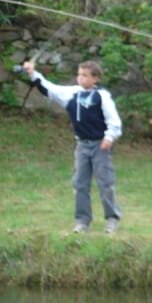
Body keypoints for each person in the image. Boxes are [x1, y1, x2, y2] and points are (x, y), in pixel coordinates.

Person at [23, 60, 123, 234]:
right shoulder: (71, 94)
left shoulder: (102, 96)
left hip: (101, 145)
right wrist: (32, 73)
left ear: (95, 78)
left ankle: (112, 219)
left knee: (105, 183)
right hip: (82, 146)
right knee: (80, 184)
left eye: (85, 75)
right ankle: (82, 221)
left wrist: (109, 137)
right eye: (79, 74)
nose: (80, 78)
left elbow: (114, 121)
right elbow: (48, 88)